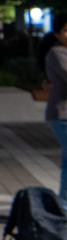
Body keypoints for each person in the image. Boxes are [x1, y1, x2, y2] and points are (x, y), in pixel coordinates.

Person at [43, 26, 67, 197]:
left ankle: (64, 205)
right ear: (57, 34)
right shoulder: (58, 53)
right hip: (63, 116)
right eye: (66, 30)